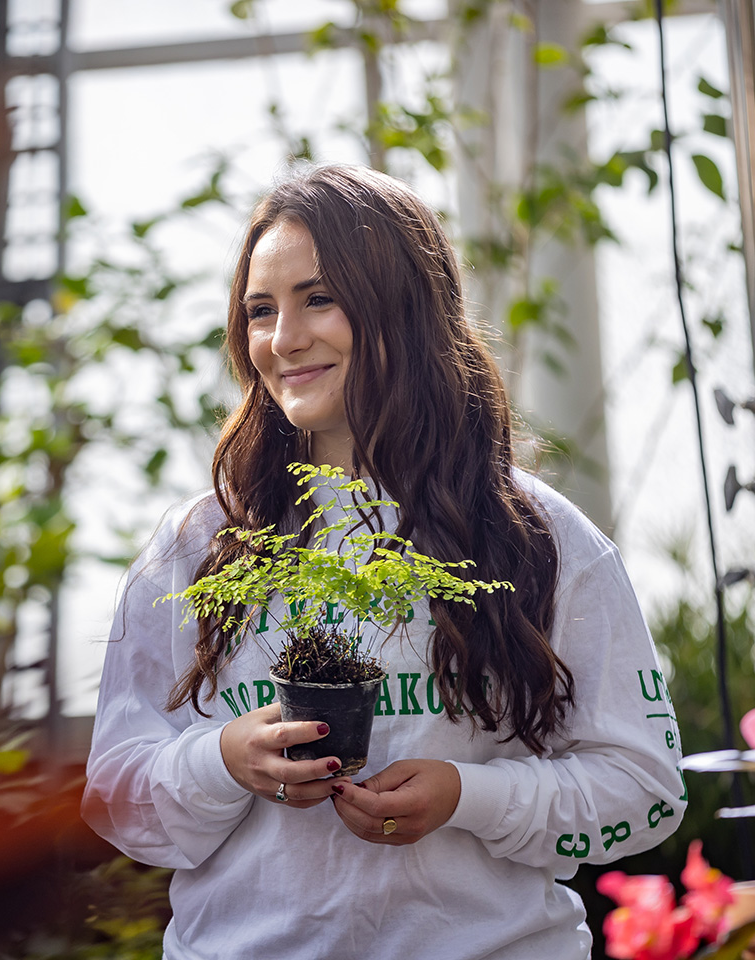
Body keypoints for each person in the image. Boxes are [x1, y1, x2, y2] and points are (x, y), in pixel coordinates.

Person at [82, 163, 686, 960]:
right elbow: (115, 803)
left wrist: (469, 795)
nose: (283, 338)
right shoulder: (198, 547)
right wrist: (222, 762)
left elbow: (646, 790)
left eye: (318, 298)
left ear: (403, 310)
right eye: (260, 310)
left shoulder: (533, 537)